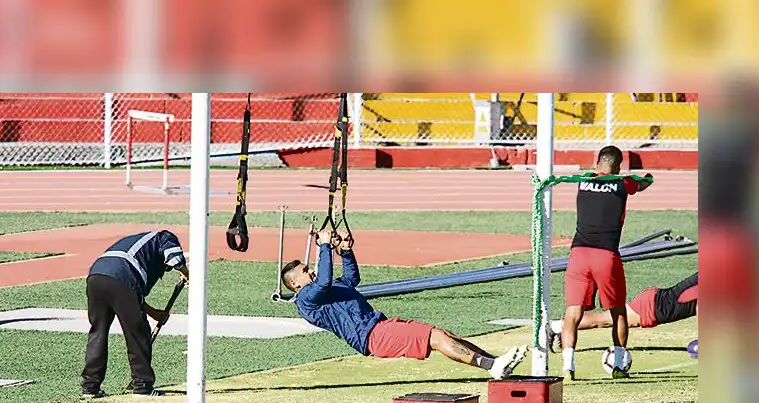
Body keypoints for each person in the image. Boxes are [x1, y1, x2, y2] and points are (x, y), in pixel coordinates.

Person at [281, 228, 528, 379]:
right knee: (435, 337)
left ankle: (494, 362)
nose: (310, 270)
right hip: (372, 335)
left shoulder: (321, 289)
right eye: (305, 270)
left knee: (444, 335)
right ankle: (493, 365)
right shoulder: (306, 299)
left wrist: (345, 251)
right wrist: (324, 245)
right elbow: (324, 281)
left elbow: (351, 279)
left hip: (379, 327)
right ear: (295, 284)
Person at [560, 145, 653, 379]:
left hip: (578, 253)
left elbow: (594, 176)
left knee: (572, 313)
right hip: (606, 255)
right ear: (619, 166)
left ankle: (568, 365)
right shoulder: (624, 183)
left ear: (597, 164)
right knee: (618, 312)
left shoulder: (584, 180)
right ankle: (620, 366)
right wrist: (647, 179)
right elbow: (641, 185)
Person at [81, 230, 189, 398]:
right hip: (122, 275)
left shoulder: (138, 245)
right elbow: (173, 257)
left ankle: (90, 387)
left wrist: (155, 314)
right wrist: (187, 273)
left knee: (98, 332)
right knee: (138, 334)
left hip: (96, 276)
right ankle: (142, 386)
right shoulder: (164, 236)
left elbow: (133, 297)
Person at [551, 273, 697, 349]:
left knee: (606, 320)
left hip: (657, 304)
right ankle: (556, 327)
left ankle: (559, 328)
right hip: (653, 306)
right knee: (603, 321)